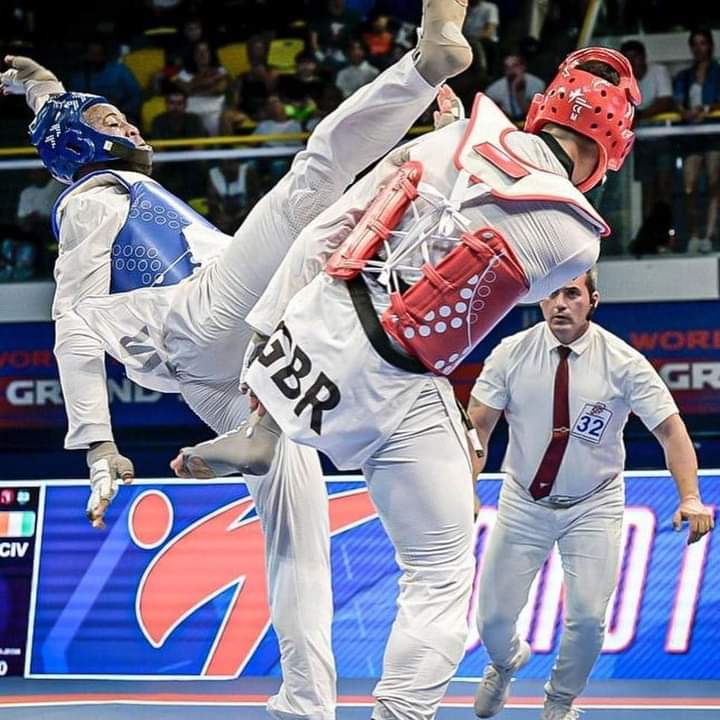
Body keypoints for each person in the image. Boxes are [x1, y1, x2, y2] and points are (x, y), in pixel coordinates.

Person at [0, 3, 471, 717]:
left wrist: (38, 83)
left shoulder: (97, 171)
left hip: (228, 369)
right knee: (310, 184)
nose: (127, 124)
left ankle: (304, 701)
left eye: (121, 117)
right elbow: (73, 321)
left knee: (295, 528)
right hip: (205, 315)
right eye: (108, 125)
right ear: (80, 148)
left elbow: (65, 118)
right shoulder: (92, 198)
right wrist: (98, 443)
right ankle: (424, 69)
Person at [184, 45, 641, 720]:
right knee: (440, 576)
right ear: (611, 149)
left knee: (330, 224)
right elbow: (513, 277)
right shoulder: (578, 239)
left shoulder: (454, 133)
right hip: (392, 374)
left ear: (546, 102)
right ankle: (399, 714)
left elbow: (328, 232)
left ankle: (261, 427)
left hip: (304, 333)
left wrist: (268, 338)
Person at [467, 270, 715, 720]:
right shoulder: (510, 353)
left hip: (593, 505)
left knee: (586, 619)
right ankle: (506, 664)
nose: (560, 303)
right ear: (539, 302)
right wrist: (463, 488)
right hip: (523, 501)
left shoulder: (623, 362)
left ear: (592, 300)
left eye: (572, 294)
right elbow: (478, 427)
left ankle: (559, 702)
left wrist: (691, 497)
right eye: (552, 295)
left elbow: (670, 429)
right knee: (492, 620)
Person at [673, 28, 720, 253]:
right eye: (696, 43)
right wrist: (684, 111)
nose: (699, 48)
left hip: (713, 133)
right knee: (689, 186)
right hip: (691, 135)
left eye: (703, 43)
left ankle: (709, 234)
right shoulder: (684, 75)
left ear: (710, 45)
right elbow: (677, 102)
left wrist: (708, 109)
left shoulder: (718, 72)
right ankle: (693, 233)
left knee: (714, 184)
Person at [620, 39, 677, 224]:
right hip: (641, 141)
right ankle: (648, 234)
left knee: (665, 187)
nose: (633, 63)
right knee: (647, 189)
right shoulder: (623, 81)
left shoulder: (658, 71)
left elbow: (666, 101)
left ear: (643, 58)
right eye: (627, 59)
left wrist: (640, 115)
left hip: (663, 139)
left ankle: (668, 235)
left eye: (635, 57)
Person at [485, 52, 545, 122]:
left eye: (515, 66)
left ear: (523, 67)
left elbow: (531, 112)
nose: (511, 70)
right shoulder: (496, 88)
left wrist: (518, 90)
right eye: (507, 67)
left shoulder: (537, 84)